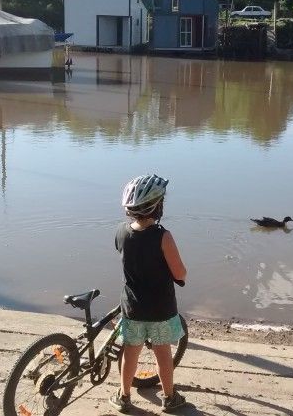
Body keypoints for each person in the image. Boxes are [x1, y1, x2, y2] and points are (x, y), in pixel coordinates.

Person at [110, 174, 188, 413]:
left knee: (130, 352)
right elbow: (180, 273)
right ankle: (169, 397)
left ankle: (124, 397)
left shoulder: (121, 232)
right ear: (158, 206)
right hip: (161, 310)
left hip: (133, 308)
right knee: (163, 352)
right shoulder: (163, 236)